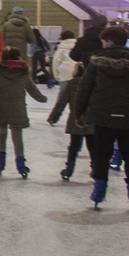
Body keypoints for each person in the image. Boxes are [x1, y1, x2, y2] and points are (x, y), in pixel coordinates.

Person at [76, 26, 129, 210]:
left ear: (109, 41)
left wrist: (79, 113)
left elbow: (84, 88)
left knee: (102, 155)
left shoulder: (96, 61)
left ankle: (99, 191)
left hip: (103, 115)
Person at [0, 47, 48, 179]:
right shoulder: (23, 72)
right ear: (18, 57)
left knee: (1, 134)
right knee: (17, 137)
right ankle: (21, 165)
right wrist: (42, 99)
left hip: (1, 107)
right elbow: (31, 88)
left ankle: (1, 162)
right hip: (18, 108)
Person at [47, 50, 94, 182]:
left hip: (76, 119)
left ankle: (69, 169)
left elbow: (61, 103)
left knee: (74, 146)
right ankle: (96, 168)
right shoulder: (95, 83)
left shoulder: (71, 84)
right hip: (92, 119)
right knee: (92, 146)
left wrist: (53, 117)